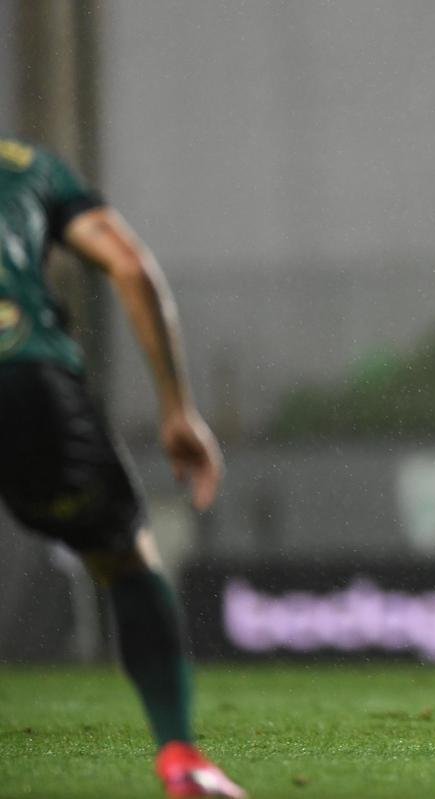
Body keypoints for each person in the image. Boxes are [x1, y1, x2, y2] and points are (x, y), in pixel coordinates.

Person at [0, 136, 246, 798]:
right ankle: (180, 758)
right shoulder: (25, 168)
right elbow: (130, 267)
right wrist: (176, 410)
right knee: (127, 558)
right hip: (24, 371)